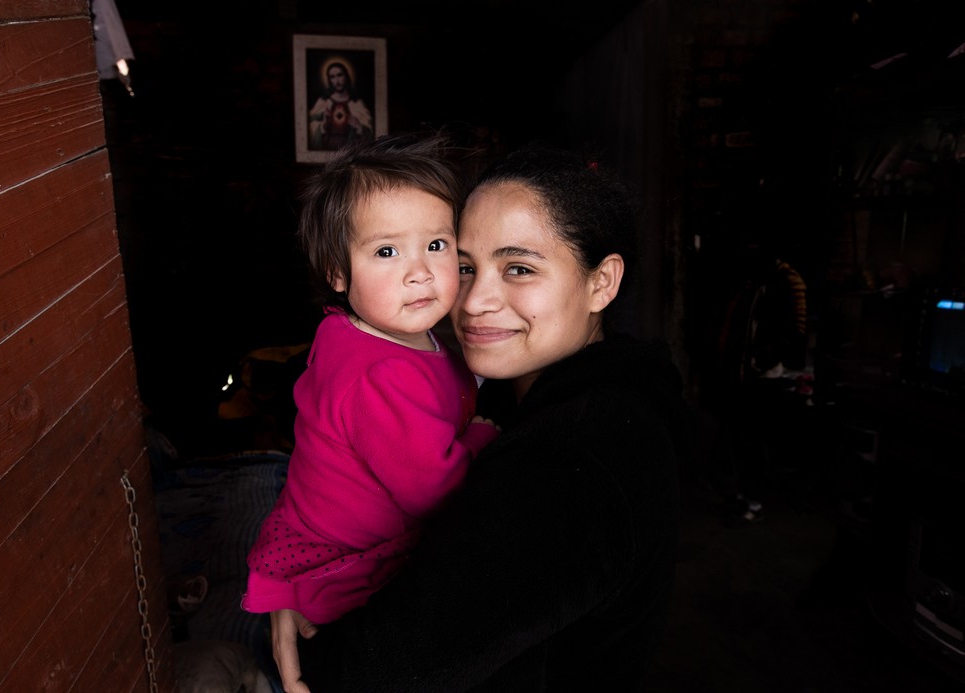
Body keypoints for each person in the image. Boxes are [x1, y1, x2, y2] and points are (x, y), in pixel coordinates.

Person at [272, 140, 692, 692]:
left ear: (602, 282)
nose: (473, 302)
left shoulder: (574, 455)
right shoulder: (514, 399)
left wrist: (318, 636)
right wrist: (311, 580)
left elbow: (390, 665)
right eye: (465, 266)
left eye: (518, 268)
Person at [241, 134, 500, 627]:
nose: (419, 272)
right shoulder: (380, 374)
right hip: (349, 571)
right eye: (386, 252)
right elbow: (433, 490)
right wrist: (482, 436)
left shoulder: (361, 330)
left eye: (436, 244)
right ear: (339, 272)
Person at [308, 61, 374, 151]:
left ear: (346, 76)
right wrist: (323, 126)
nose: (337, 81)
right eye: (332, 77)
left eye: (340, 75)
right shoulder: (323, 102)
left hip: (349, 151)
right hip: (327, 152)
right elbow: (309, 127)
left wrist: (359, 127)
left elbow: (370, 132)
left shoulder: (356, 103)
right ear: (329, 80)